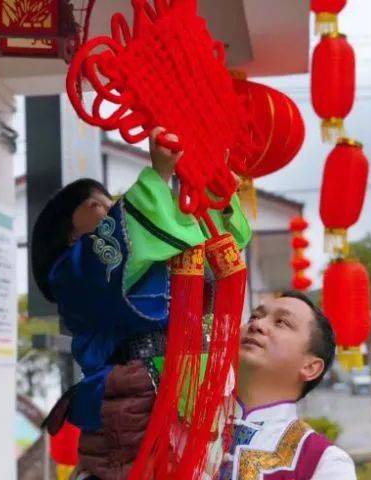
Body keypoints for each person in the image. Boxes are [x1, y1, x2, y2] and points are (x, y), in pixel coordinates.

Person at [32, 129, 251, 480]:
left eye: (110, 203)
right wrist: (161, 175)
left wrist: (213, 196)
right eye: (96, 205)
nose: (110, 211)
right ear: (67, 231)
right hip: (133, 390)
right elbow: (128, 236)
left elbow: (201, 256)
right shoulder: (70, 271)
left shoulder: (144, 255)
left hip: (184, 383)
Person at [215, 290, 356, 480]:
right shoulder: (182, 426)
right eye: (254, 317)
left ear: (310, 367)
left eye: (281, 322)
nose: (257, 324)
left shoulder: (326, 463)